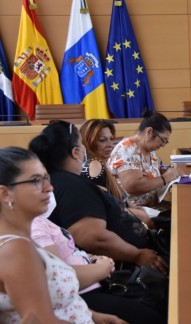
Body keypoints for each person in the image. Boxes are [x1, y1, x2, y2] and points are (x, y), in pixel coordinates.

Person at [0, 147, 123, 323]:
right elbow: (38, 320)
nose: (49, 187)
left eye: (46, 178)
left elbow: (45, 301)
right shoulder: (16, 250)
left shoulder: (20, 239)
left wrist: (92, 316)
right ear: (5, 193)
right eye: (36, 181)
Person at [28, 120, 167, 273]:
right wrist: (137, 255)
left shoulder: (60, 179)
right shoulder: (72, 186)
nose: (84, 149)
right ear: (75, 152)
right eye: (81, 144)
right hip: (119, 268)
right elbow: (93, 238)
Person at [30, 192, 163, 324]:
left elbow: (69, 253)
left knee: (159, 295)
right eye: (36, 180)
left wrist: (93, 259)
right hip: (85, 291)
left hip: (94, 282)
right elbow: (58, 278)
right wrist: (102, 268)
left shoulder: (38, 220)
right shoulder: (32, 228)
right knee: (151, 315)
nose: (49, 187)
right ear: (9, 192)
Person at [80, 119, 154, 229]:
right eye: (102, 140)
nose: (110, 145)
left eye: (111, 139)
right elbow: (99, 205)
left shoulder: (92, 162)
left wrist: (128, 204)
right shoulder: (95, 164)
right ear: (89, 141)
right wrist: (131, 212)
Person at [107, 110, 181, 208]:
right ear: (149, 132)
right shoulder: (127, 151)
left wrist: (170, 171)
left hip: (153, 206)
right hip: (135, 212)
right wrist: (166, 178)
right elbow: (132, 186)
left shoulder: (148, 148)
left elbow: (155, 167)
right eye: (163, 140)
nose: (163, 145)